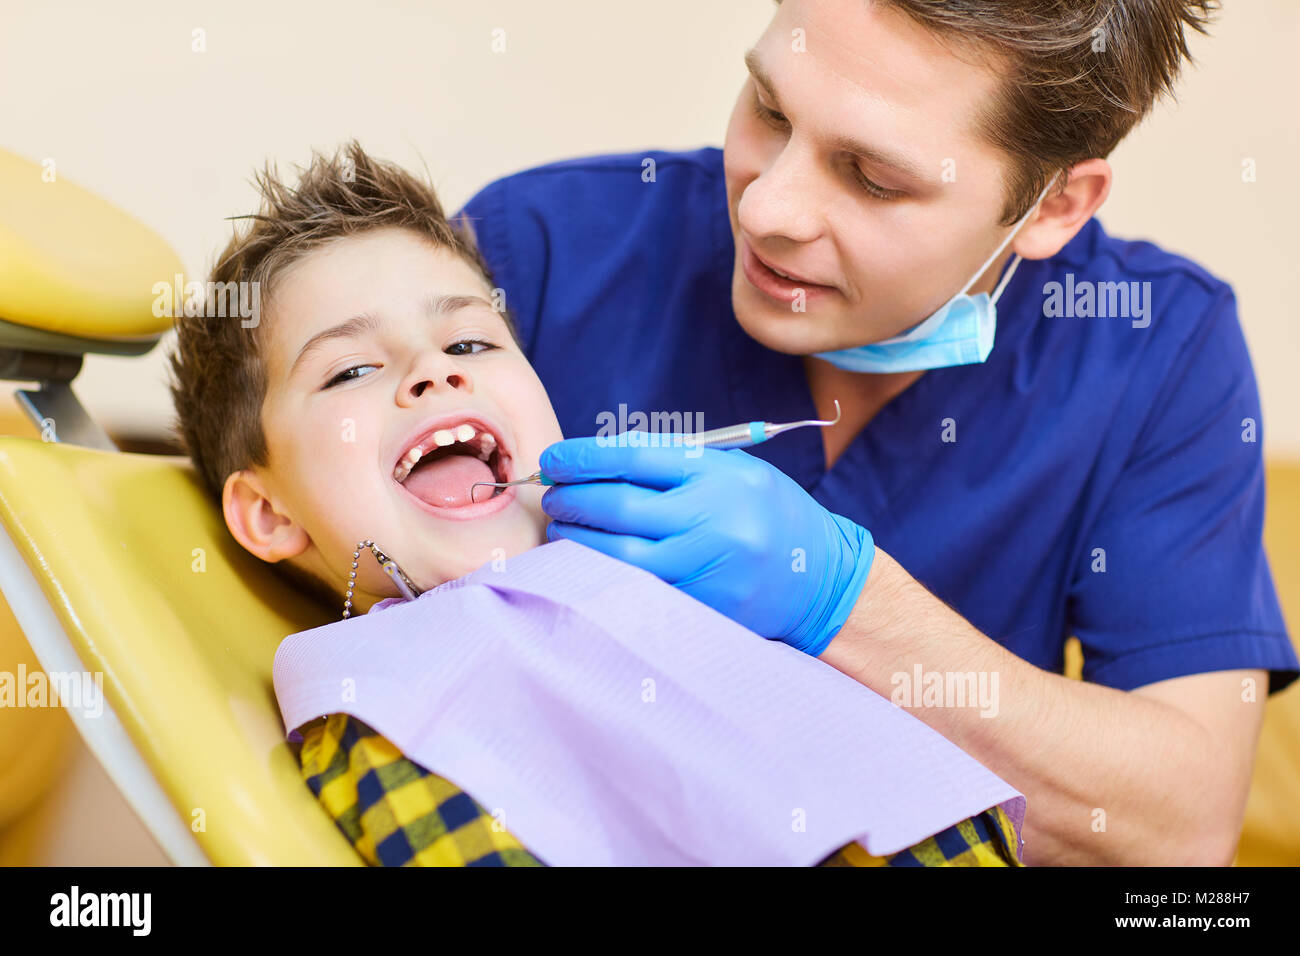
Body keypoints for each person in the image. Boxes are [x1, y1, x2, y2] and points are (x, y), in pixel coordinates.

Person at [455, 0, 1298, 864]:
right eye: (770, 110)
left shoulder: (1154, 349)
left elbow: (1181, 830)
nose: (767, 210)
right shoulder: (542, 256)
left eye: (872, 177)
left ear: (1052, 205)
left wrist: (844, 602)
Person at [166, 141, 1023, 867]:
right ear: (269, 515)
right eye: (351, 369)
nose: (436, 370)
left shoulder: (669, 585)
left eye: (470, 340)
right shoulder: (379, 701)